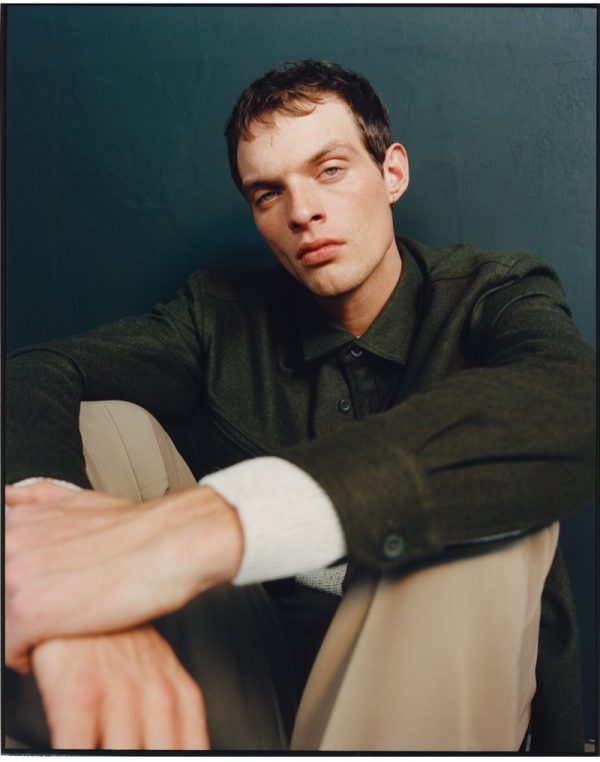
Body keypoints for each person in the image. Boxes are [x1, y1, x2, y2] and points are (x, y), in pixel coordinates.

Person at [5, 60, 595, 753]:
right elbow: (34, 370)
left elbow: (572, 402)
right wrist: (67, 576)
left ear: (392, 173)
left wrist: (214, 525)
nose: (302, 212)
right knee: (102, 423)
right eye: (268, 193)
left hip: (436, 705)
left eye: (330, 170)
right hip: (245, 698)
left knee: (489, 488)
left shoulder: (493, 293)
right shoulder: (217, 315)